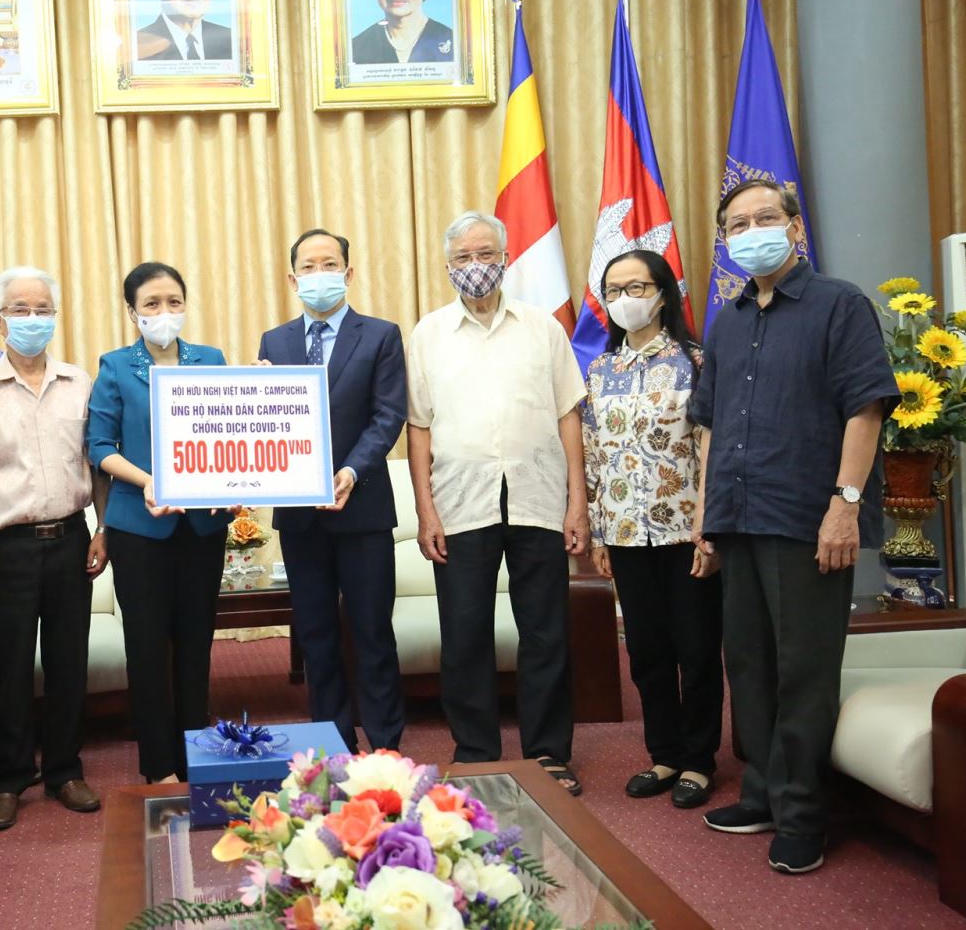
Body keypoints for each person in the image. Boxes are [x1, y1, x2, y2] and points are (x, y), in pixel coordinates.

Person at [691, 179, 898, 874]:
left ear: (794, 227)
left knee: (803, 671)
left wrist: (845, 503)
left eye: (765, 218)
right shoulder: (727, 321)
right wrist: (705, 518)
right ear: (725, 241)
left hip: (807, 517)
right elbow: (711, 425)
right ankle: (762, 794)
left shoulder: (839, 304)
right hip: (737, 516)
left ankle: (805, 814)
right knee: (749, 665)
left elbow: (865, 408)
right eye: (737, 224)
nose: (752, 232)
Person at [406, 211, 589, 793]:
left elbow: (568, 415)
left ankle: (547, 754)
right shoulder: (429, 334)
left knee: (545, 631)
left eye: (486, 253)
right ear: (447, 267)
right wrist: (426, 511)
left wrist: (578, 502)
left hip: (539, 497)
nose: (476, 265)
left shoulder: (543, 329)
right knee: (464, 635)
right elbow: (418, 427)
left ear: (506, 258)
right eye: (463, 257)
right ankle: (476, 753)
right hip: (461, 504)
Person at [0, 267, 110, 830]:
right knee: (6, 667)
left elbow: (96, 464)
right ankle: (7, 779)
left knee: (70, 662)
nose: (33, 319)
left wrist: (103, 528)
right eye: (20, 310)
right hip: (6, 546)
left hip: (71, 538)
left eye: (42, 309)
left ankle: (65, 771)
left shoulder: (79, 382)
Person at [256, 229, 407, 752]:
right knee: (316, 636)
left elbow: (388, 416)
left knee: (372, 632)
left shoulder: (381, 335)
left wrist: (350, 471)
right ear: (292, 278)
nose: (319, 274)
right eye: (308, 266)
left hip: (362, 508)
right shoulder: (274, 342)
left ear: (348, 272)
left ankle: (386, 745)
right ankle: (332, 746)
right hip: (300, 516)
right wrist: (257, 396)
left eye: (329, 264)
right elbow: (270, 424)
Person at [582, 249, 721, 810]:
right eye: (614, 290)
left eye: (636, 287)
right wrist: (598, 533)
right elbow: (593, 455)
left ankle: (700, 760)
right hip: (624, 531)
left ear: (663, 294)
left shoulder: (695, 361)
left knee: (697, 648)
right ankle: (664, 754)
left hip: (685, 531)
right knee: (645, 650)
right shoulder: (600, 370)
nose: (625, 299)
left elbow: (710, 446)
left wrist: (709, 527)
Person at [86, 262, 233, 782]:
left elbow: (229, 433)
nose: (164, 311)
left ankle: (196, 755)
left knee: (196, 644)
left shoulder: (211, 360)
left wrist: (236, 482)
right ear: (133, 312)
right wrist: (150, 481)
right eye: (151, 303)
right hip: (139, 527)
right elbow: (99, 446)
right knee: (147, 647)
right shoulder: (115, 367)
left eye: (174, 301)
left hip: (202, 528)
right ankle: (158, 766)